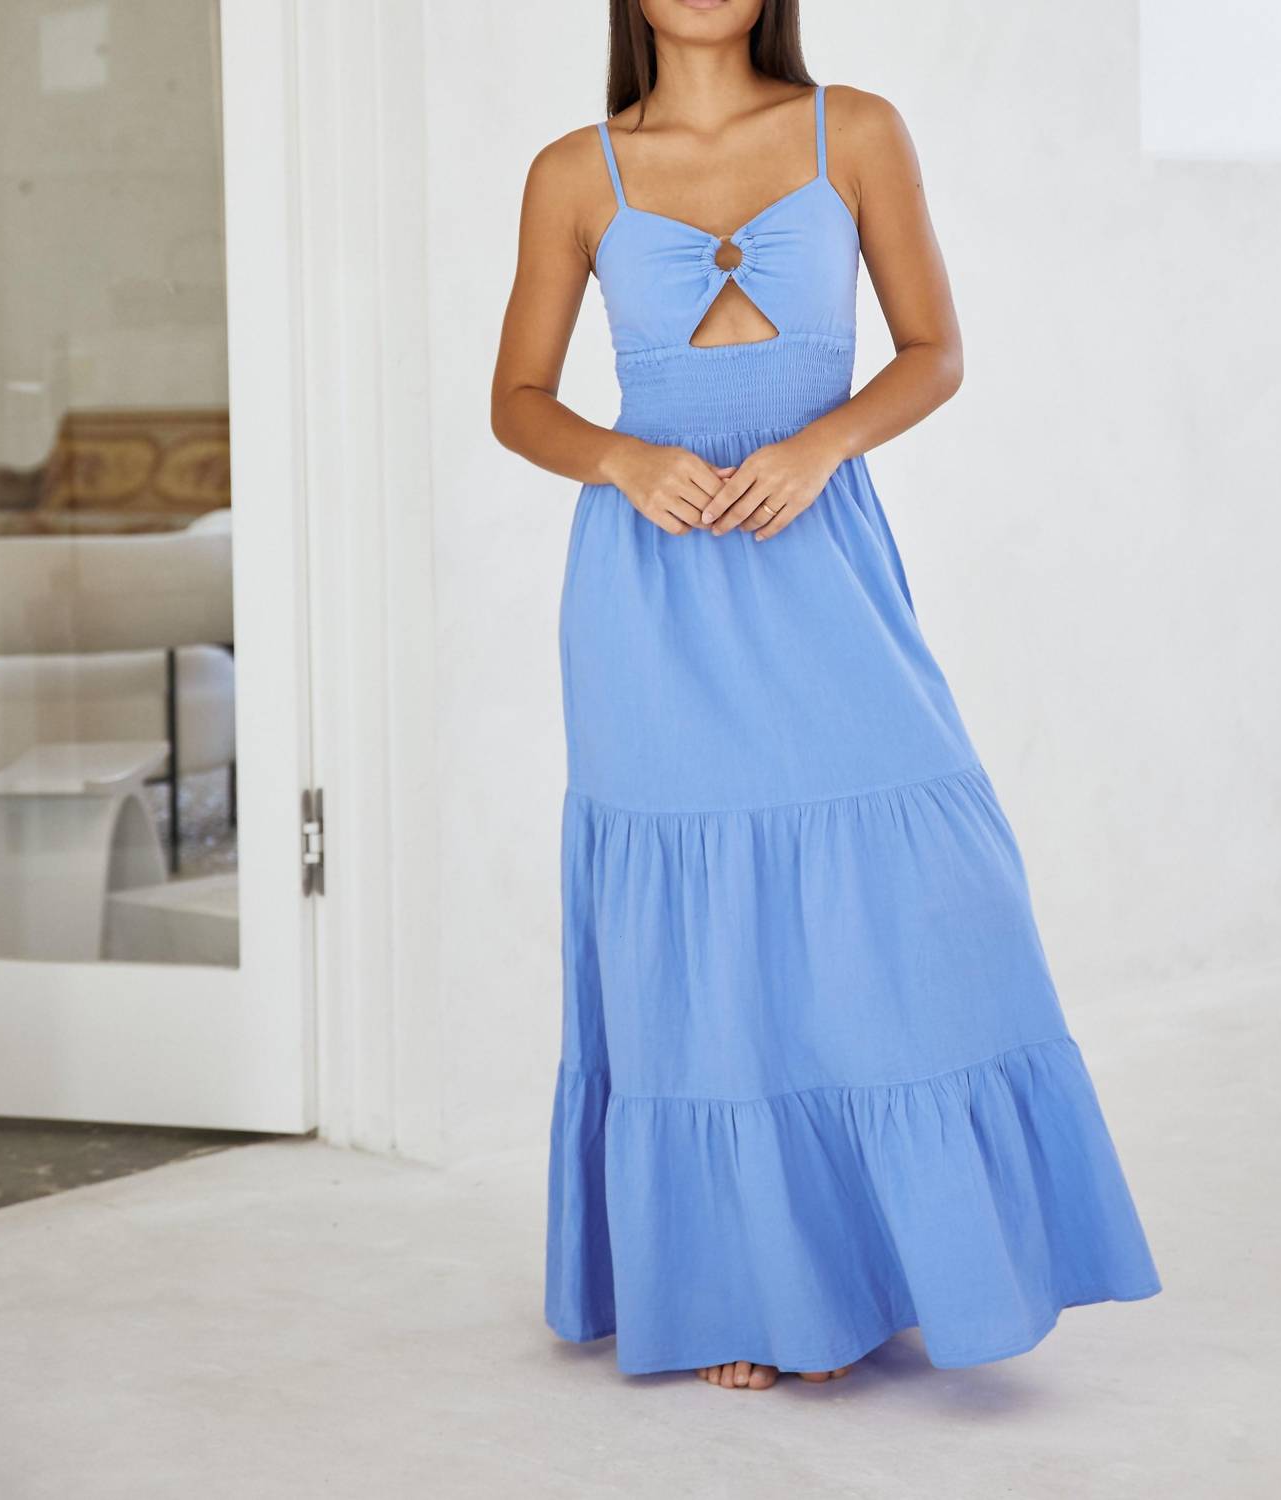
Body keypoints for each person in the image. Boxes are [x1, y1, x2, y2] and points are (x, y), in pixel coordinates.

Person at [491, 0, 1162, 1393]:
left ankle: (909, 1257)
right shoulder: (573, 172)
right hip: (651, 589)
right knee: (703, 929)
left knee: (926, 885)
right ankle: (747, 1290)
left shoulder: (852, 129)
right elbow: (519, 397)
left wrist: (821, 446)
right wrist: (620, 459)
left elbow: (934, 350)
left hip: (821, 560)